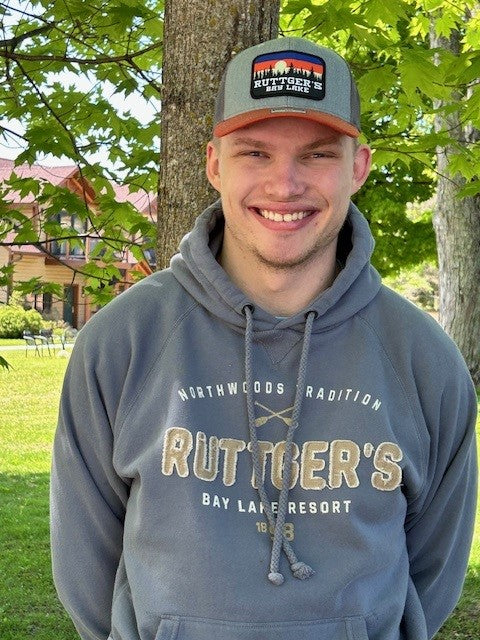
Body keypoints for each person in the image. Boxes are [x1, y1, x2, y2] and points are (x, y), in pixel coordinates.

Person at [50, 37, 477, 640]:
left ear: (358, 166)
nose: (285, 184)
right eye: (254, 152)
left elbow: (433, 573)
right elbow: (86, 569)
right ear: (214, 164)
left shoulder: (424, 360)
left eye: (318, 155)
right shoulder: (120, 344)